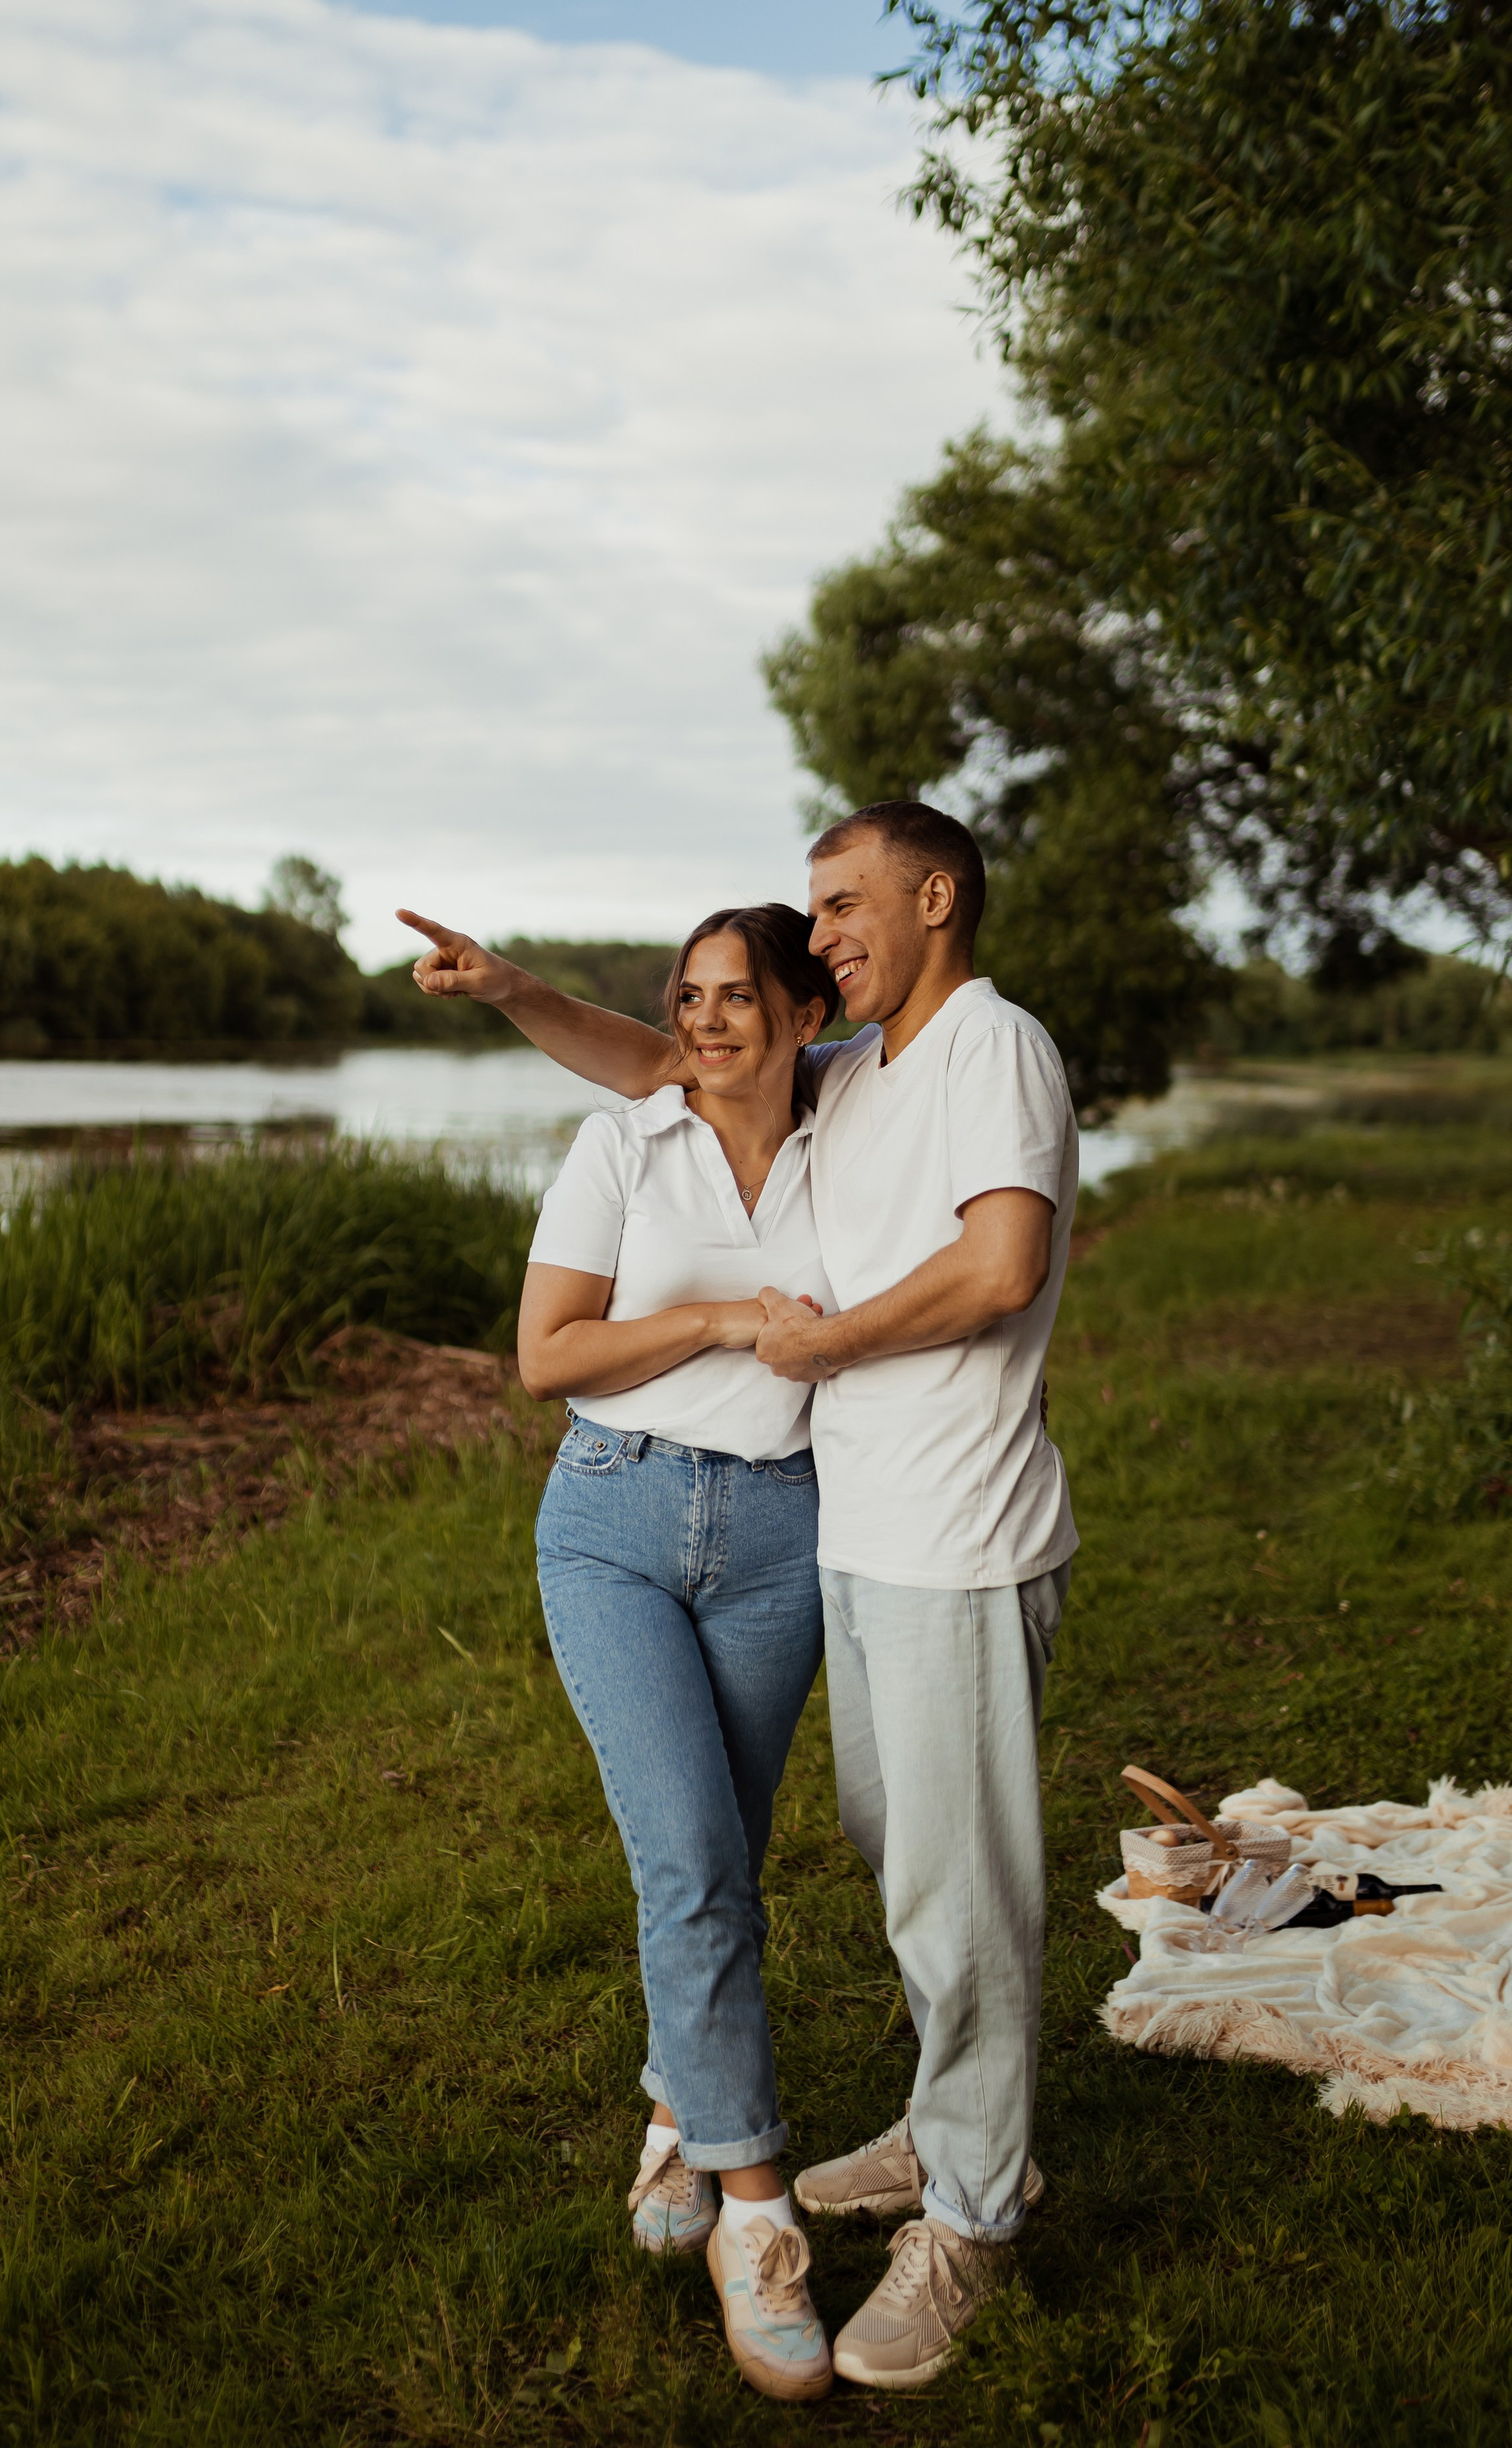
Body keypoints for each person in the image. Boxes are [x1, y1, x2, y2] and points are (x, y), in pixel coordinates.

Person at [399, 797, 1076, 2394]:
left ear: (929, 900)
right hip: (765, 1529)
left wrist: (819, 1344)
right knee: (829, 1848)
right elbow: (649, 1079)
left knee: (882, 1873)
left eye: (840, 905)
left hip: (901, 1530)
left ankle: (929, 2199)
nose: (822, 926)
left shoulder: (954, 1057)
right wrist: (509, 993)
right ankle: (864, 2134)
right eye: (812, 907)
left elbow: (999, 1268)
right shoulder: (826, 1082)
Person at [513, 902, 842, 2404]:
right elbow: (548, 1355)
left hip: (783, 1535)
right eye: (685, 999)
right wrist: (714, 1320)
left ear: (798, 1008)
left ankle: (674, 2111)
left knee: (721, 1852)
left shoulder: (858, 1128)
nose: (706, 1024)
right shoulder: (624, 1143)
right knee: (693, 1863)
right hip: (613, 1521)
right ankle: (757, 2217)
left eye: (736, 996)